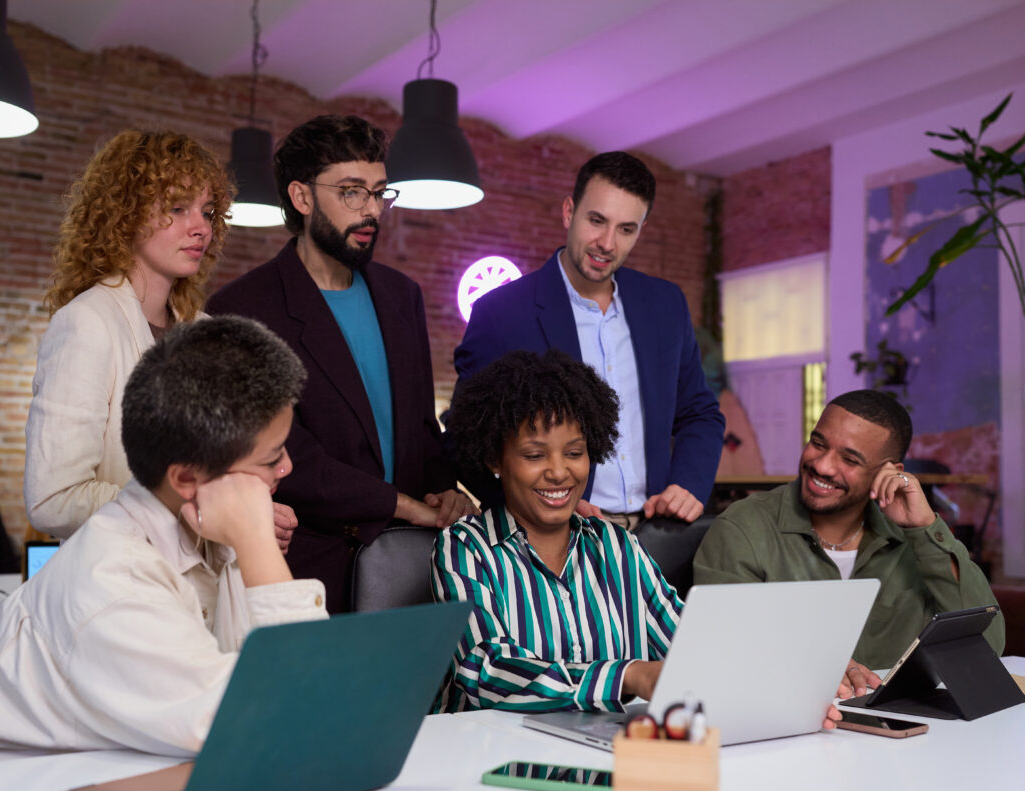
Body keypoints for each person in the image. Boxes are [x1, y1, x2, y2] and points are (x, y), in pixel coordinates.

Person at [0, 317, 328, 767]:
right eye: (272, 457)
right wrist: (258, 542)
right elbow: (298, 718)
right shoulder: (114, 584)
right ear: (188, 478)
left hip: (121, 779)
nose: (287, 467)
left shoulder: (213, 533)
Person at [208, 115, 474, 613]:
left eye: (378, 192)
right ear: (302, 197)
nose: (371, 209)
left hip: (415, 569)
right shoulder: (242, 310)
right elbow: (290, 460)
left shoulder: (402, 296)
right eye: (352, 192)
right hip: (307, 571)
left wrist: (444, 491)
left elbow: (419, 425)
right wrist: (402, 506)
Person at [25, 130, 294, 553]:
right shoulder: (86, 323)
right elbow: (52, 501)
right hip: (124, 588)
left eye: (207, 211)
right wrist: (195, 507)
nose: (200, 227)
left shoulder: (204, 331)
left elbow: (214, 474)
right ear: (124, 214)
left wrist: (253, 511)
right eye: (177, 207)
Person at [453, 151, 725, 529]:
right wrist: (541, 509)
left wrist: (688, 484)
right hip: (555, 539)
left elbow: (700, 413)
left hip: (660, 535)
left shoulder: (666, 305)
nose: (607, 243)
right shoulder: (501, 313)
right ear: (569, 212)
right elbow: (465, 440)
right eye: (596, 220)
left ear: (640, 230)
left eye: (626, 229)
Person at [692, 389, 1005, 685]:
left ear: (890, 471)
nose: (822, 465)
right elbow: (725, 650)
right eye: (818, 443)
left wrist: (924, 528)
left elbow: (989, 646)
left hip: (904, 729)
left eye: (850, 459)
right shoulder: (743, 529)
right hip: (790, 729)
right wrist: (812, 664)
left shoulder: (914, 538)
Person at [431, 350, 683, 713]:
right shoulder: (465, 548)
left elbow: (688, 645)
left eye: (574, 453)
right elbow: (485, 671)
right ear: (494, 460)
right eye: (535, 456)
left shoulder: (620, 547)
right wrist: (626, 676)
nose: (559, 472)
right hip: (495, 756)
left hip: (603, 756)